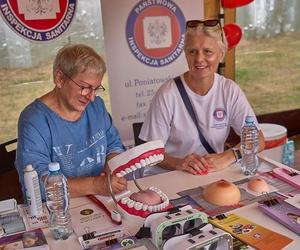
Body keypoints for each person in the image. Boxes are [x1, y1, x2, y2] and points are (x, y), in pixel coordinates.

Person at [139, 19, 265, 175]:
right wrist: (180, 163)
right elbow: (149, 153)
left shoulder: (229, 90)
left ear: (221, 54)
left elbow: (258, 140)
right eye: (192, 51)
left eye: (207, 51)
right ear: (185, 54)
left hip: (211, 175)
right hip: (169, 176)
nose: (199, 59)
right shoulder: (168, 94)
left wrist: (227, 157)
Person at [15, 44, 127, 200]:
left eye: (95, 88)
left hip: (101, 201)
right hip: (58, 211)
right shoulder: (34, 120)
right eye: (84, 87)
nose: (91, 97)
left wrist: (113, 166)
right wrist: (95, 185)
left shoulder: (97, 107)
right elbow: (37, 185)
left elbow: (113, 145)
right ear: (59, 78)